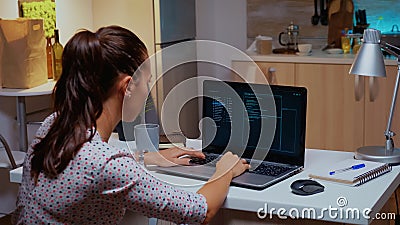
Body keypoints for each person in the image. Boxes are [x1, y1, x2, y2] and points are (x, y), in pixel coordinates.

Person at [14, 25, 249, 225]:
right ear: (127, 86)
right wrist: (225, 169)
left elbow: (87, 168)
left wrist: (149, 158)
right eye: (147, 81)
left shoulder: (52, 125)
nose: (149, 89)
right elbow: (201, 211)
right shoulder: (106, 165)